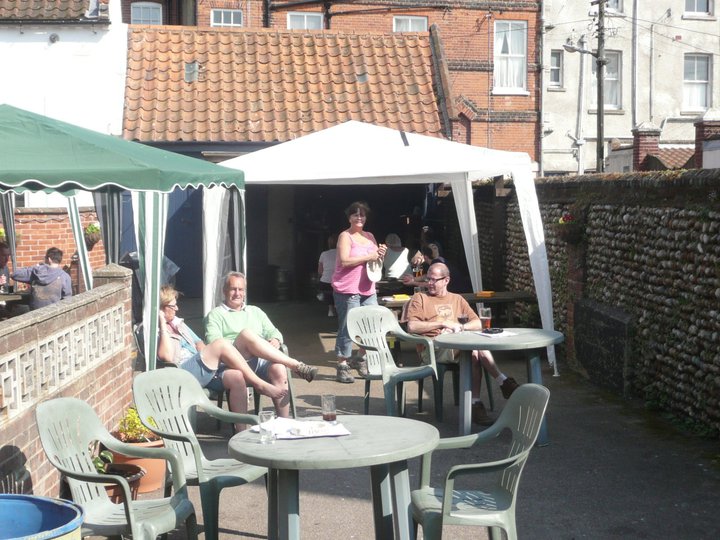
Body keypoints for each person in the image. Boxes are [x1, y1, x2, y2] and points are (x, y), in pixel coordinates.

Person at [157, 286, 288, 430]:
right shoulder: (154, 329)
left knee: (236, 376)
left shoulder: (178, 324)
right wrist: (162, 324)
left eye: (241, 289)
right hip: (181, 373)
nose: (177, 309)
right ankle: (260, 383)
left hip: (203, 367)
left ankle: (241, 432)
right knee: (221, 344)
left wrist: (206, 356)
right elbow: (166, 356)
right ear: (161, 308)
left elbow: (199, 342)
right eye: (172, 305)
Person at [405, 262, 519, 425]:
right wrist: (443, 324)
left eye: (434, 280)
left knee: (474, 351)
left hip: (457, 344)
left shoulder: (457, 299)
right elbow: (412, 326)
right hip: (433, 347)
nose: (429, 283)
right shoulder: (420, 298)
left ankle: (476, 403)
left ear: (446, 280)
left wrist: (459, 328)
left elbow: (477, 323)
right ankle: (501, 383)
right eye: (428, 279)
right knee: (474, 350)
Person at [205, 272, 319, 416]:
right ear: (224, 291)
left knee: (278, 368)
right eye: (233, 289)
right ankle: (296, 365)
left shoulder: (255, 311)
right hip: (233, 362)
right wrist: (246, 343)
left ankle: (284, 423)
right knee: (246, 334)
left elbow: (274, 331)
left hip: (258, 362)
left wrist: (275, 340)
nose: (237, 293)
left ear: (245, 292)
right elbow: (214, 342)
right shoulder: (216, 314)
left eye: (241, 290)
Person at [331, 201, 387, 383]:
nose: (359, 217)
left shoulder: (370, 236)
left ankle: (361, 359)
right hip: (348, 288)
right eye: (355, 214)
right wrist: (369, 256)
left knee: (371, 326)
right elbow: (345, 261)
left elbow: (374, 261)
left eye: (362, 214)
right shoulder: (345, 236)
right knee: (347, 327)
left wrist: (380, 254)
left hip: (368, 287)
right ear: (349, 217)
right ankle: (342, 365)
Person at [317, 234, 338, 317]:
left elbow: (320, 271)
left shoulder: (323, 254)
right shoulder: (342, 253)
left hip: (325, 283)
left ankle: (330, 310)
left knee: (327, 289)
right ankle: (337, 306)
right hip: (339, 282)